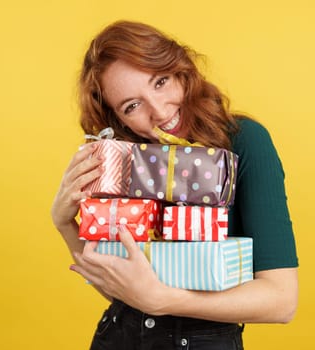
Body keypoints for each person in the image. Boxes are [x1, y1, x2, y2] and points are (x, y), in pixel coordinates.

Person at [51, 20, 298, 350]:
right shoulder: (124, 161)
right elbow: (122, 291)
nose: (159, 111)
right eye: (132, 106)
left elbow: (281, 300)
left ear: (181, 71)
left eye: (160, 82)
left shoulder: (243, 141)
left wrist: (165, 300)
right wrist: (65, 223)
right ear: (117, 120)